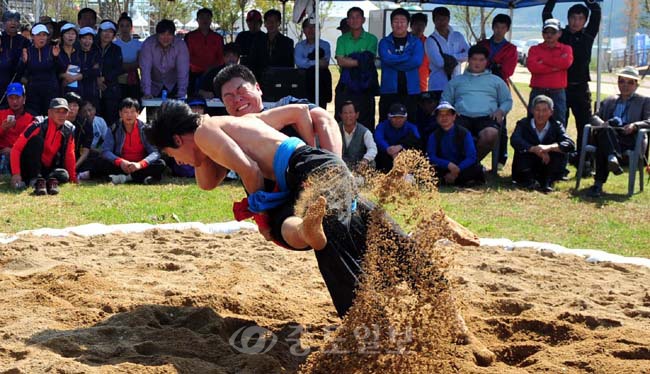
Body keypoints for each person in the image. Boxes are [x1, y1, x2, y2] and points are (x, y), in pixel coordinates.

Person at [213, 64, 342, 157]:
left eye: (242, 91)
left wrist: (332, 168)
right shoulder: (228, 135)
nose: (237, 99)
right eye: (229, 97)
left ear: (258, 88)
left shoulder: (286, 105)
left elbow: (325, 119)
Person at [543, 0, 601, 162]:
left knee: (584, 125)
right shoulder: (560, 35)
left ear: (585, 21)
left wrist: (589, 2)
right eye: (573, 18)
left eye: (580, 18)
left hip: (581, 87)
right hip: (560, 87)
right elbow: (546, 16)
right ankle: (559, 159)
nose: (576, 22)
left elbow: (596, 14)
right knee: (559, 123)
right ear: (568, 19)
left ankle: (585, 160)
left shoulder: (588, 35)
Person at [587, 66, 650, 198]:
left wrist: (635, 125)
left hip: (629, 138)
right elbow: (594, 117)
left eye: (630, 82)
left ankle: (598, 184)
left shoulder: (644, 101)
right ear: (618, 83)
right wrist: (602, 124)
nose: (625, 85)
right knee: (606, 132)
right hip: (609, 133)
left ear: (636, 85)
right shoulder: (610, 100)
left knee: (603, 142)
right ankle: (612, 157)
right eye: (622, 81)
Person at [442, 44, 512, 163]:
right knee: (452, 133)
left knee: (490, 134)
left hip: (487, 117)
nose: (477, 63)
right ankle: (460, 165)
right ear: (469, 60)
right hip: (461, 117)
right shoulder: (456, 81)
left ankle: (470, 165)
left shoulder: (496, 81)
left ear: (486, 61)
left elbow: (507, 100)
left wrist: (501, 111)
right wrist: (451, 110)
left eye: (481, 60)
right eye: (474, 59)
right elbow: (445, 100)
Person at [10, 98, 77, 194]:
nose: (61, 115)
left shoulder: (69, 129)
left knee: (64, 175)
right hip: (28, 165)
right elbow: (16, 149)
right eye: (57, 111)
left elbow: (69, 155)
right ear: (49, 113)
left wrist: (73, 178)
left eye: (64, 112)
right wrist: (16, 174)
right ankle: (34, 179)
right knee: (37, 141)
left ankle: (43, 181)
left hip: (46, 167)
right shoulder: (37, 125)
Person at [511, 95, 575, 193]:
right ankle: (529, 181)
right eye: (537, 110)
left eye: (545, 110)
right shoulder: (523, 124)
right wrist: (534, 149)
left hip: (547, 165)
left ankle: (547, 182)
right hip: (527, 166)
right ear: (532, 111)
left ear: (551, 112)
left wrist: (548, 148)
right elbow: (515, 140)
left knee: (557, 151)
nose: (540, 114)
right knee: (523, 150)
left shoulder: (556, 125)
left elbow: (569, 144)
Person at [478, 13, 518, 167]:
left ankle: (501, 157)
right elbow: (477, 65)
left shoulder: (511, 48)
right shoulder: (483, 44)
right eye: (497, 27)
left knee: (501, 122)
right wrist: (496, 65)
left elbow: (507, 70)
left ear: (507, 29)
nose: (499, 30)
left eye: (503, 27)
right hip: (481, 87)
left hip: (501, 88)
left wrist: (491, 65)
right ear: (492, 27)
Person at [97, 98, 165, 184]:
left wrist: (140, 164)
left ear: (138, 113)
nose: (129, 115)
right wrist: (120, 162)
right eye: (126, 112)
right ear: (120, 114)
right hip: (121, 165)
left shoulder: (145, 129)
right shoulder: (114, 128)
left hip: (140, 164)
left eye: (132, 112)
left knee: (160, 164)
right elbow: (106, 151)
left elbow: (155, 152)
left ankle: (124, 178)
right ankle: (141, 178)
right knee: (100, 162)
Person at [334, 7, 378, 131]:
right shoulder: (341, 39)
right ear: (348, 21)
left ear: (363, 20)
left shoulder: (372, 39)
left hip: (365, 86)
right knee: (342, 119)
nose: (355, 20)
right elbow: (341, 61)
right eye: (351, 17)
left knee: (366, 120)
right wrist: (361, 60)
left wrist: (350, 59)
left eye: (357, 17)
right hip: (346, 85)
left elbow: (369, 60)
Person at [378, 8, 424, 122]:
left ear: (408, 24)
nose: (399, 24)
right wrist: (406, 57)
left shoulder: (416, 42)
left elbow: (416, 62)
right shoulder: (384, 42)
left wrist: (394, 60)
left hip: (411, 91)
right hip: (389, 91)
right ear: (391, 23)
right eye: (396, 21)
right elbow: (386, 59)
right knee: (386, 123)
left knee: (411, 124)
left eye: (402, 21)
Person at [526, 18, 573, 128]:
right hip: (538, 90)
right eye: (546, 32)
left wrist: (543, 61)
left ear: (560, 33)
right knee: (532, 122)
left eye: (553, 32)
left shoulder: (566, 49)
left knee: (559, 122)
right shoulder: (534, 49)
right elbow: (533, 67)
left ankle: (557, 145)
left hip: (557, 92)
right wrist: (555, 66)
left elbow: (565, 63)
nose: (549, 35)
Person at [427, 101, 484, 186]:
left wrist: (457, 169)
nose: (444, 118)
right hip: (443, 167)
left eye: (447, 115)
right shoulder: (433, 135)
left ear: (454, 117)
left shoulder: (464, 133)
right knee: (428, 170)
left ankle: (451, 180)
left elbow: (471, 156)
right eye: (440, 115)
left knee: (476, 169)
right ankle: (454, 181)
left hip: (462, 167)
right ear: (436, 118)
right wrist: (448, 165)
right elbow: (431, 157)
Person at [140, 19, 190, 99]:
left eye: (169, 34)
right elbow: (145, 70)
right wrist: (147, 93)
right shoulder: (148, 44)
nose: (166, 38)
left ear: (174, 35)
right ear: (157, 34)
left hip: (174, 85)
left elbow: (183, 72)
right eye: (162, 34)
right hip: (153, 86)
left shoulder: (181, 45)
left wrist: (181, 94)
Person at [425, 7, 469, 93]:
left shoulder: (458, 36)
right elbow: (439, 62)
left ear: (448, 19)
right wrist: (459, 56)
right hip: (437, 85)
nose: (442, 22)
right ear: (434, 21)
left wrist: (451, 57)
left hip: (456, 84)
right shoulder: (430, 40)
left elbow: (468, 54)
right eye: (439, 19)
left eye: (444, 19)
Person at [21, 23, 60, 116]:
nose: (42, 37)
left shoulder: (53, 50)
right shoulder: (28, 51)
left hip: (50, 91)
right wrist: (24, 62)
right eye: (39, 35)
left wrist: (56, 57)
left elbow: (60, 69)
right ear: (32, 36)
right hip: (33, 93)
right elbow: (21, 72)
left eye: (44, 35)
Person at [185, 8, 224, 96]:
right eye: (202, 17)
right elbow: (186, 57)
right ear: (197, 20)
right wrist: (202, 68)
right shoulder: (190, 36)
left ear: (211, 20)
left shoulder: (218, 38)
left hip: (214, 75)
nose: (205, 20)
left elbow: (221, 58)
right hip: (194, 75)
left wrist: (211, 69)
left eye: (207, 17)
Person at [294, 18, 332, 109]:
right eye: (308, 27)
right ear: (303, 30)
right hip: (304, 83)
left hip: (321, 84)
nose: (311, 30)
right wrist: (316, 62)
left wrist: (307, 62)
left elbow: (324, 64)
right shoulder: (299, 46)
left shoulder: (325, 45)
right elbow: (299, 63)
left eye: (314, 27)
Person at [247, 9, 294, 81]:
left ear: (279, 23)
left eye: (274, 21)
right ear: (265, 24)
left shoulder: (288, 42)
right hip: (260, 82)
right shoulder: (257, 41)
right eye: (268, 21)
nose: (271, 24)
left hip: (280, 82)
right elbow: (252, 63)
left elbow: (289, 66)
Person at [374, 102, 421, 172]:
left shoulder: (411, 127)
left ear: (405, 118)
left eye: (401, 117)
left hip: (404, 156)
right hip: (386, 157)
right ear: (389, 117)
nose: (398, 120)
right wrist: (388, 149)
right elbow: (378, 139)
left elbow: (417, 139)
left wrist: (400, 146)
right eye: (394, 117)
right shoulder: (382, 126)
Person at [96, 20, 123, 126]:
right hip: (94, 88)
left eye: (110, 32)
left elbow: (118, 68)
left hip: (111, 89)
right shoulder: (92, 47)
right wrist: (96, 79)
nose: (107, 34)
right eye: (104, 31)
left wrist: (104, 78)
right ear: (100, 32)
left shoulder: (116, 49)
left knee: (111, 119)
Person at [1, 10, 29, 107]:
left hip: (18, 81)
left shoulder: (24, 41)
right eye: (9, 20)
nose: (13, 23)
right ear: (3, 23)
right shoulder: (1, 38)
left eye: (16, 20)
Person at [338, 100, 377, 170]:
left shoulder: (364, 132)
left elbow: (373, 149)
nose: (348, 116)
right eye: (345, 113)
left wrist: (365, 160)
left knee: (371, 162)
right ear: (340, 115)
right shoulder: (334, 130)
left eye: (350, 113)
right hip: (340, 166)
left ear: (357, 115)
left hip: (358, 167)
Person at [0, 83, 34, 163]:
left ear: (24, 98)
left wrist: (14, 151)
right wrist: (2, 128)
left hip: (22, 155)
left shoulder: (31, 118)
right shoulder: (1, 114)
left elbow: (31, 142)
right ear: (7, 99)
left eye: (18, 97)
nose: (14, 101)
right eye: (11, 98)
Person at [114, 12, 143, 101]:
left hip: (134, 79)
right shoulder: (114, 45)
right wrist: (131, 65)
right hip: (118, 79)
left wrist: (127, 65)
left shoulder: (138, 44)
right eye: (122, 26)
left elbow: (140, 63)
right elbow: (115, 64)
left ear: (131, 27)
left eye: (127, 26)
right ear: (118, 28)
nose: (124, 28)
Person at [57, 23, 83, 96]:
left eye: (73, 34)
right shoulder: (56, 52)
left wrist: (77, 77)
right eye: (67, 33)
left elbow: (86, 71)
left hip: (77, 90)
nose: (70, 36)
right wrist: (63, 75)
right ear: (62, 36)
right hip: (60, 90)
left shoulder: (79, 52)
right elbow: (53, 70)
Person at [410, 12, 430, 94]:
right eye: (416, 24)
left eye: (422, 25)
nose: (419, 28)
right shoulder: (404, 41)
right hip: (404, 86)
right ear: (411, 26)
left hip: (422, 86)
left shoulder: (429, 42)